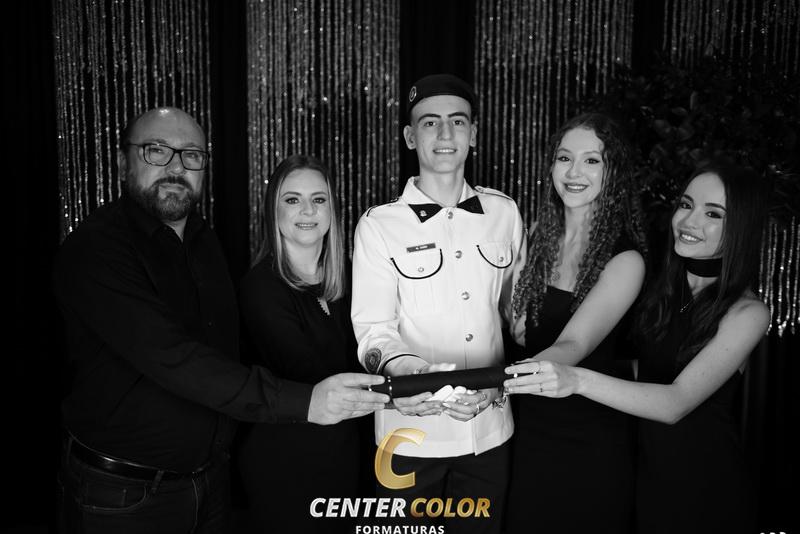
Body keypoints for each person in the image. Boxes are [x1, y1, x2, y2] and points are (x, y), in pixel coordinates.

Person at [53, 107, 388, 534]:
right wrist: (308, 401)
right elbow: (176, 358)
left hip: (211, 482)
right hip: (125, 492)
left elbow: (226, 353)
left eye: (191, 155)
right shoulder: (98, 250)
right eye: (157, 150)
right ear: (123, 162)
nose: (176, 167)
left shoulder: (203, 240)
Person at [505, 161, 769, 534]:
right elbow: (639, 369)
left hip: (704, 487)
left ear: (741, 227)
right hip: (642, 479)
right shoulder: (663, 287)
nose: (689, 221)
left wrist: (575, 379)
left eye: (713, 214)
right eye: (686, 204)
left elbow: (674, 403)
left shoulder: (748, 312)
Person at [351, 74, 526, 534]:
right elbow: (373, 331)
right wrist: (412, 376)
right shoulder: (378, 225)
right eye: (430, 122)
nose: (445, 133)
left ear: (473, 133)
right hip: (408, 434)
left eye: (457, 121)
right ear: (411, 137)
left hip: (490, 431)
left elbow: (519, 318)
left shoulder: (505, 212)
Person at [503, 112, 648, 534]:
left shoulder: (625, 260)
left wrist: (499, 381)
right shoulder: (536, 234)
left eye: (592, 161)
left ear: (613, 172)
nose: (573, 172)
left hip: (588, 438)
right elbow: (514, 326)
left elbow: (573, 346)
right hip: (528, 428)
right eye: (564, 158)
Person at [236, 155, 364, 533]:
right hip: (287, 462)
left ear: (332, 209)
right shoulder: (261, 287)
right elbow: (309, 375)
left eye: (318, 199)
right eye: (292, 199)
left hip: (346, 455)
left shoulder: (353, 278)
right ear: (273, 211)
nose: (308, 210)